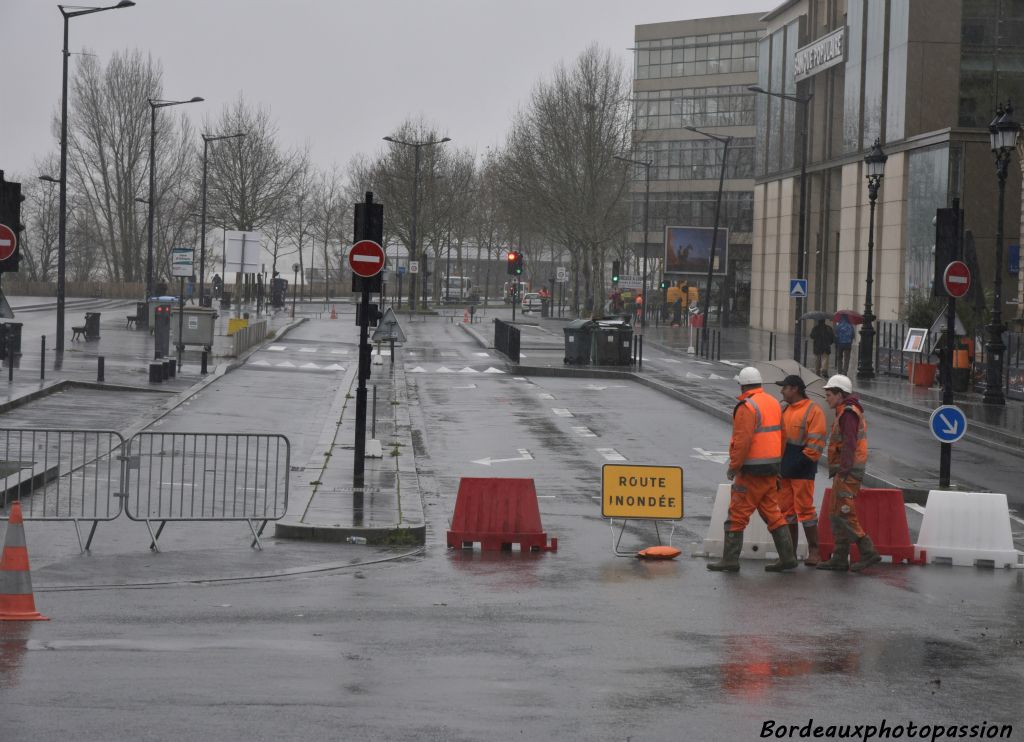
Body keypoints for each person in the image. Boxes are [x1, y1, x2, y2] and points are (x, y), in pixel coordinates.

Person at [708, 366, 797, 573]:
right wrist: (777, 464)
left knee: (737, 515)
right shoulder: (774, 403)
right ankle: (787, 557)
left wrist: (734, 467)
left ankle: (730, 560)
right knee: (773, 513)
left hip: (750, 471)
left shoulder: (746, 406)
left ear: (742, 385)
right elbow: (783, 436)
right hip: (771, 469)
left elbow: (743, 441)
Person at [817, 375, 882, 573]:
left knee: (845, 513)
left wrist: (844, 470)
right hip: (845, 470)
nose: (826, 398)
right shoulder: (844, 411)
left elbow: (849, 444)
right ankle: (839, 557)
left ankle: (868, 552)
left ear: (839, 394)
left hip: (848, 471)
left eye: (828, 394)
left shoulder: (848, 413)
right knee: (836, 513)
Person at [775, 374, 827, 565]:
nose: (781, 391)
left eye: (784, 387)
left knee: (805, 510)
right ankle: (790, 553)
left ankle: (814, 551)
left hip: (802, 468)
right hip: (785, 468)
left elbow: (815, 447)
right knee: (785, 511)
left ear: (794, 389)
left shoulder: (813, 411)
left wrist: (796, 464)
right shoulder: (784, 409)